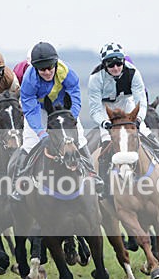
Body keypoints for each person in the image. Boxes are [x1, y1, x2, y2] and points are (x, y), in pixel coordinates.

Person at [88, 42, 159, 193]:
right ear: (104, 65)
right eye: (111, 65)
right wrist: (105, 123)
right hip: (106, 108)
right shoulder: (95, 78)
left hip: (127, 103)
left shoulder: (133, 72)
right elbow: (94, 109)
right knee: (106, 143)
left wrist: (138, 119)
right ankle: (103, 186)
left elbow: (141, 101)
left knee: (147, 135)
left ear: (123, 61)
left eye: (119, 63)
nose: (116, 68)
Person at [10, 41, 99, 199]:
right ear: (35, 68)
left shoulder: (67, 72)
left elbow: (75, 96)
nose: (47, 72)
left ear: (55, 63)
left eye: (50, 67)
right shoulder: (29, 81)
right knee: (30, 142)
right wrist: (41, 133)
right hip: (39, 110)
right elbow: (31, 110)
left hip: (63, 109)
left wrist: (71, 117)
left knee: (80, 138)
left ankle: (92, 174)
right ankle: (20, 182)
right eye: (42, 69)